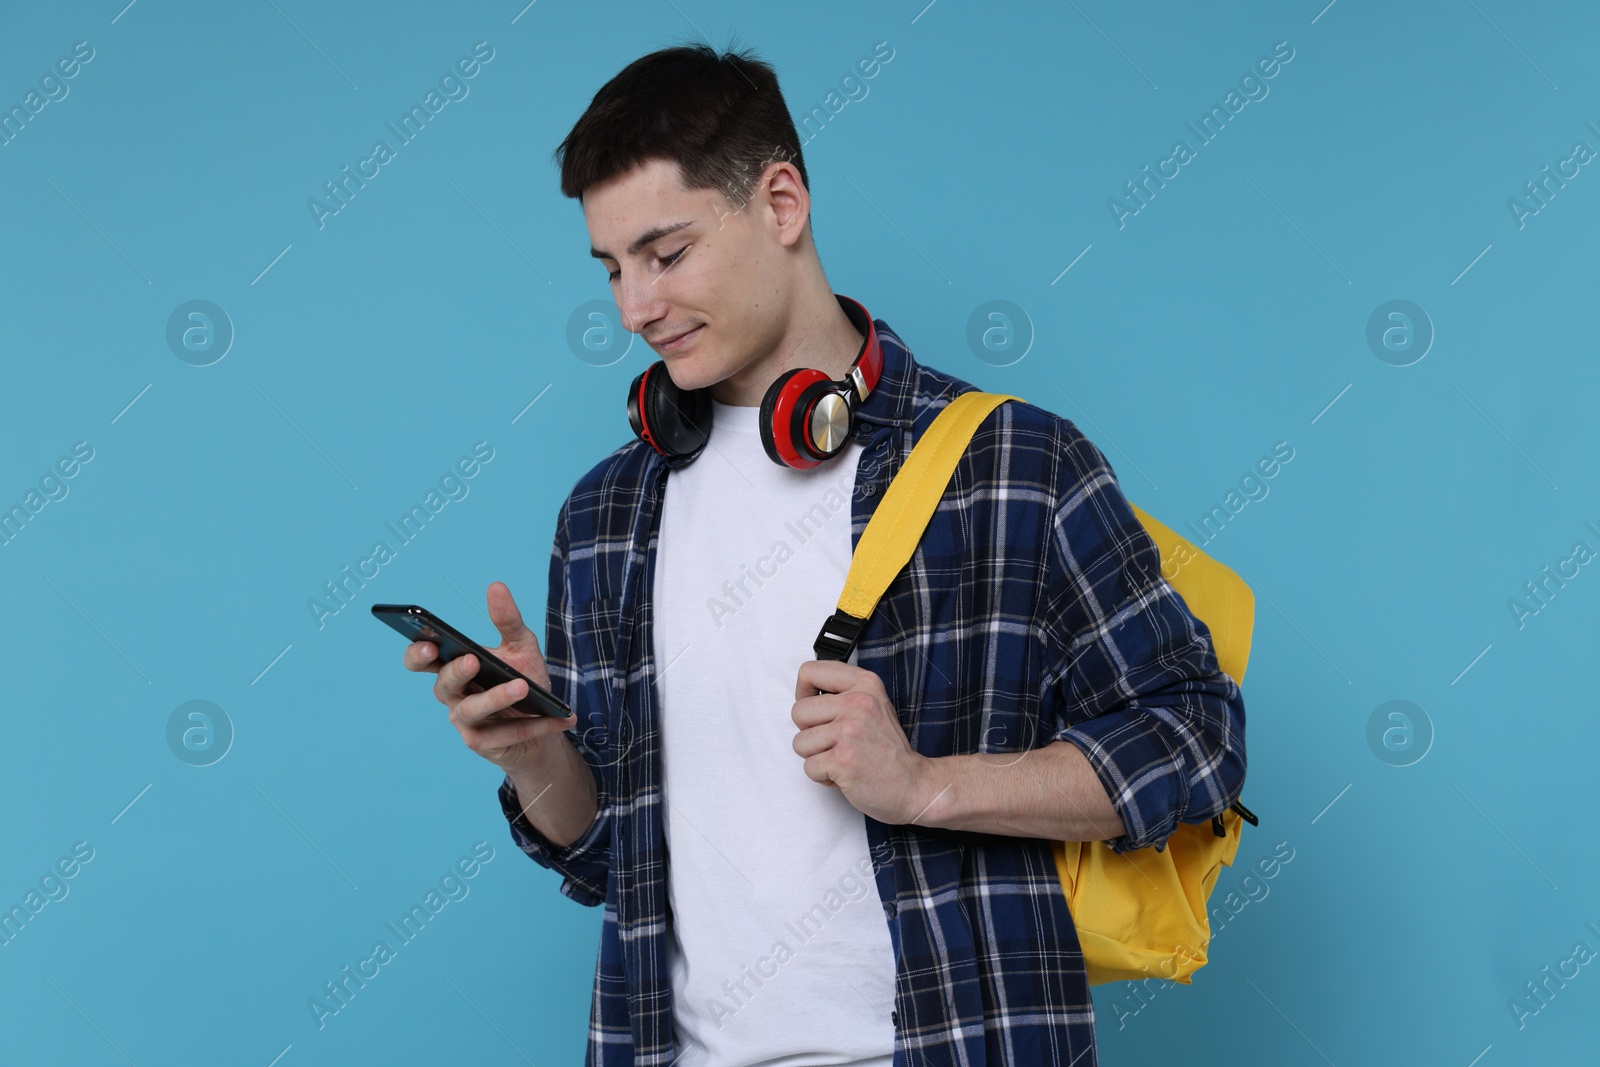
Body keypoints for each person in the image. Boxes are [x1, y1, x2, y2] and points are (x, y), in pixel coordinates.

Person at [402, 43, 1246, 1066]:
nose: (634, 306)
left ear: (782, 202)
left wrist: (926, 783)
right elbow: (604, 859)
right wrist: (534, 748)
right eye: (613, 267)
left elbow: (1196, 740)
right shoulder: (606, 514)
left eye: (666, 254)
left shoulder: (1014, 464)